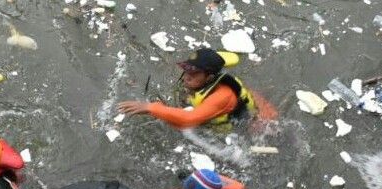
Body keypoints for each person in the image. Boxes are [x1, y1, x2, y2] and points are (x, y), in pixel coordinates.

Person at [117, 48, 276, 132]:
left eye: (194, 73)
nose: (187, 76)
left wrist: (151, 108)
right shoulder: (209, 74)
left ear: (209, 77)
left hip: (247, 125)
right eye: (187, 70)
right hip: (242, 104)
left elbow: (188, 120)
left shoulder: (222, 96)